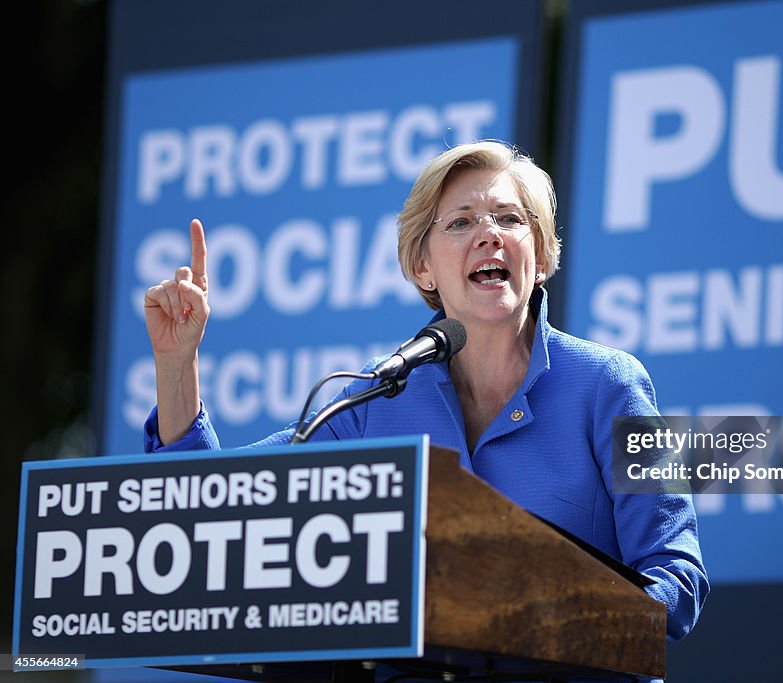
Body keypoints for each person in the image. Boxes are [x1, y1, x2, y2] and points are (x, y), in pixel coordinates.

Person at [142, 141, 708, 642]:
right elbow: (212, 506)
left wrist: (557, 618)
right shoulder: (373, 399)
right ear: (423, 267)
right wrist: (177, 362)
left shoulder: (608, 386)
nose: (488, 233)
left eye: (509, 219)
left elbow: (676, 578)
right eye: (460, 222)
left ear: (539, 257)